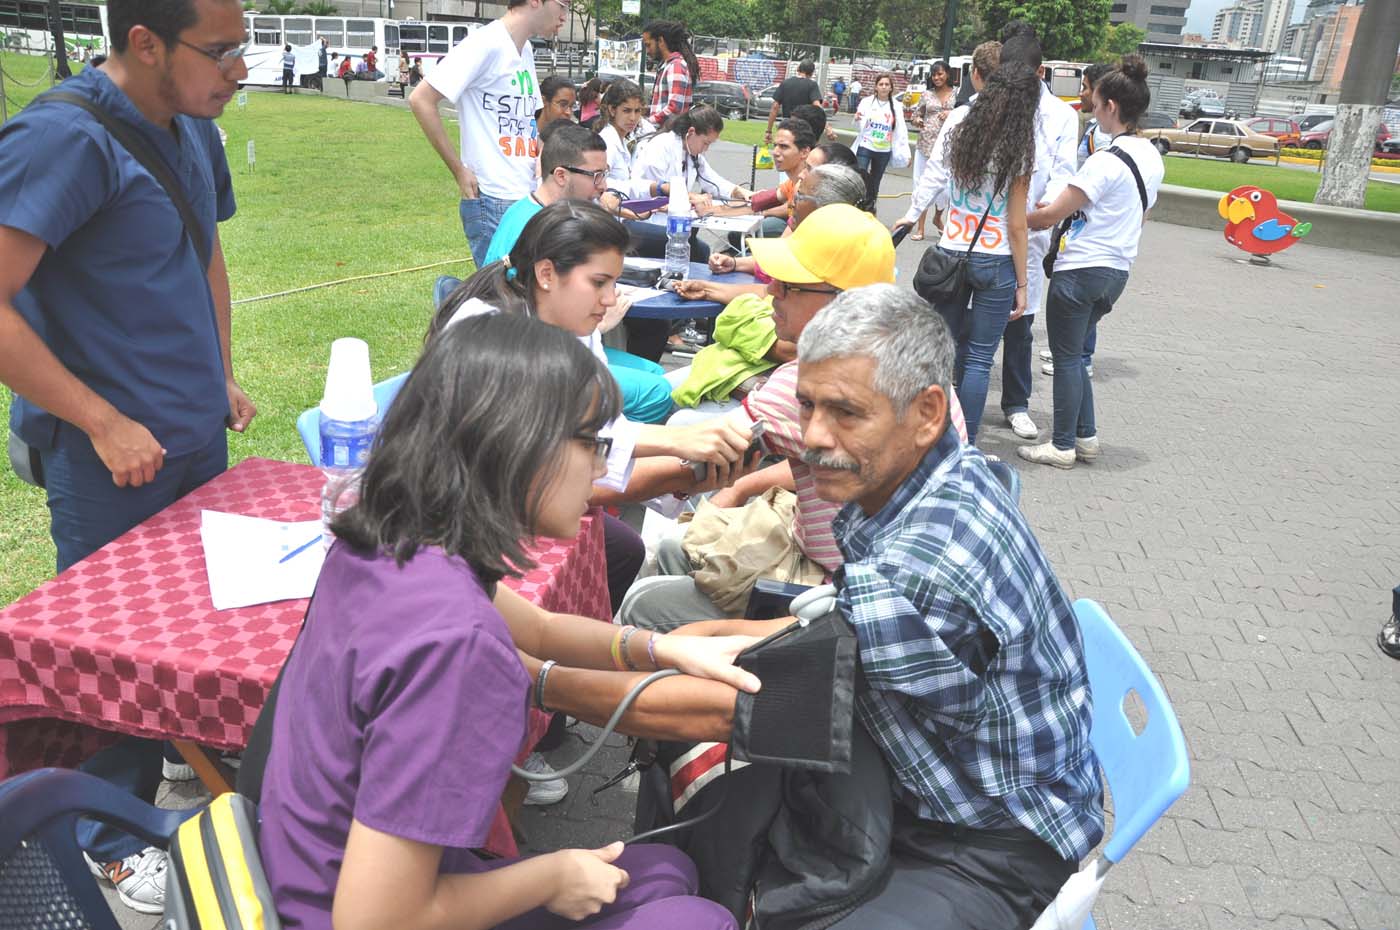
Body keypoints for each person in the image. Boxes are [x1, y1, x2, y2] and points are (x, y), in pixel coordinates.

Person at [557, 286, 1101, 930]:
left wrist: (535, 684)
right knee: (717, 799)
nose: (814, 437)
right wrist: (700, 637)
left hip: (989, 837)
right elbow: (840, 622)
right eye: (809, 405)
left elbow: (742, 708)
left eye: (845, 412)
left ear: (926, 412)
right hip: (928, 773)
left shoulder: (924, 564)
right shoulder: (942, 477)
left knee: (714, 768)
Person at [257, 310, 754, 930]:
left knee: (663, 874)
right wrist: (549, 876)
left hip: (300, 873)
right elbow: (374, 920)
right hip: (349, 911)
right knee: (696, 920)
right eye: (592, 444)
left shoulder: (391, 545)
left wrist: (669, 650)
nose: (602, 469)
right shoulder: (456, 647)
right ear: (518, 445)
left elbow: (542, 631)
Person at [0, 0, 254, 913]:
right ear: (145, 43)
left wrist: (220, 370)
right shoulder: (63, 141)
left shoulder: (192, 122)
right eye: (221, 52)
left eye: (243, 48)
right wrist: (102, 421)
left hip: (194, 438)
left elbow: (205, 249)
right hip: (110, 461)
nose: (241, 70)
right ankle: (109, 844)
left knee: (193, 635)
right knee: (110, 663)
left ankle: (178, 780)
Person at [618, 205, 966, 631]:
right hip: (876, 577)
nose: (771, 294)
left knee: (645, 603)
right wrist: (742, 484)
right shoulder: (912, 356)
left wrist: (575, 482)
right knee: (680, 545)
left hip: (847, 599)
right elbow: (808, 453)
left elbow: (687, 466)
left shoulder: (810, 380)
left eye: (786, 285)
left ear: (840, 300)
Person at [1021, 55, 1163, 470]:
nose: (1093, 110)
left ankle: (1062, 444)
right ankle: (1085, 436)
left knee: (1066, 358)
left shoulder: (1105, 160)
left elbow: (1051, 215)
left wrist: (1012, 219)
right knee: (1077, 358)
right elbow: (1144, 212)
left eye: (1096, 103)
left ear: (1112, 107)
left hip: (1081, 270)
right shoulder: (1152, 157)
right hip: (1116, 271)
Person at [481, 123, 673, 426]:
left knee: (656, 374)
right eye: (596, 176)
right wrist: (596, 329)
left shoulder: (537, 213)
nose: (603, 185)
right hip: (532, 361)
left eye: (605, 174)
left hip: (549, 345)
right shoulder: (539, 230)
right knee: (658, 393)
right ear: (561, 175)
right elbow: (524, 326)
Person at [918, 62, 1037, 447]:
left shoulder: (960, 132)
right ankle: (965, 443)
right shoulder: (1017, 148)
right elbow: (1017, 225)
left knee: (943, 352)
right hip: (996, 257)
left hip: (951, 251)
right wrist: (1023, 283)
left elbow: (940, 185)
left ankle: (932, 434)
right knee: (980, 360)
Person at [409, 0, 567, 267]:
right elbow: (420, 99)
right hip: (493, 198)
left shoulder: (525, 48)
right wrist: (459, 169)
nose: (565, 16)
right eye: (563, 5)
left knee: (527, 295)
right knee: (501, 298)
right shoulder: (485, 44)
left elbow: (525, 121)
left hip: (526, 195)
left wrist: (542, 157)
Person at [1041, 62, 1114, 381]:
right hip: (1079, 218)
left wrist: (1041, 216)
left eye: (1086, 87)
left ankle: (1078, 357)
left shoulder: (1106, 135)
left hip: (1088, 227)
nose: (1081, 93)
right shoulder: (1096, 129)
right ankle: (1069, 350)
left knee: (1082, 301)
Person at [909, 61, 955, 240]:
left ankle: (938, 218)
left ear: (948, 75)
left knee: (945, 189)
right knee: (922, 186)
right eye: (934, 75)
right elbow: (915, 115)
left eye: (940, 74)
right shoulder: (927, 95)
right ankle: (920, 229)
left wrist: (951, 113)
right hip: (925, 146)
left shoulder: (956, 95)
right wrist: (918, 120)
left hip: (947, 147)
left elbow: (966, 114)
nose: (937, 78)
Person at [853, 72, 905, 205]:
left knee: (875, 181)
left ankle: (870, 206)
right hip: (866, 145)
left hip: (884, 150)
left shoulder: (897, 106)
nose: (884, 87)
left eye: (887, 84)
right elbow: (859, 120)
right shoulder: (867, 102)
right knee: (861, 176)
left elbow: (901, 130)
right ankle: (857, 204)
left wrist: (905, 153)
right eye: (881, 84)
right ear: (876, 87)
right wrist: (858, 118)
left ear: (891, 88)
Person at [642, 20, 698, 131]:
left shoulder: (676, 66)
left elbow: (675, 109)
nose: (647, 51)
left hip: (667, 135)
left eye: (648, 45)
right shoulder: (668, 65)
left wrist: (647, 122)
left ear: (661, 41)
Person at [764, 59, 820, 145]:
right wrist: (826, 127)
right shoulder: (812, 85)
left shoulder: (785, 83)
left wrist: (769, 131)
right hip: (803, 127)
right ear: (812, 73)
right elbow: (817, 106)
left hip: (786, 124)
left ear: (798, 69)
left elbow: (775, 107)